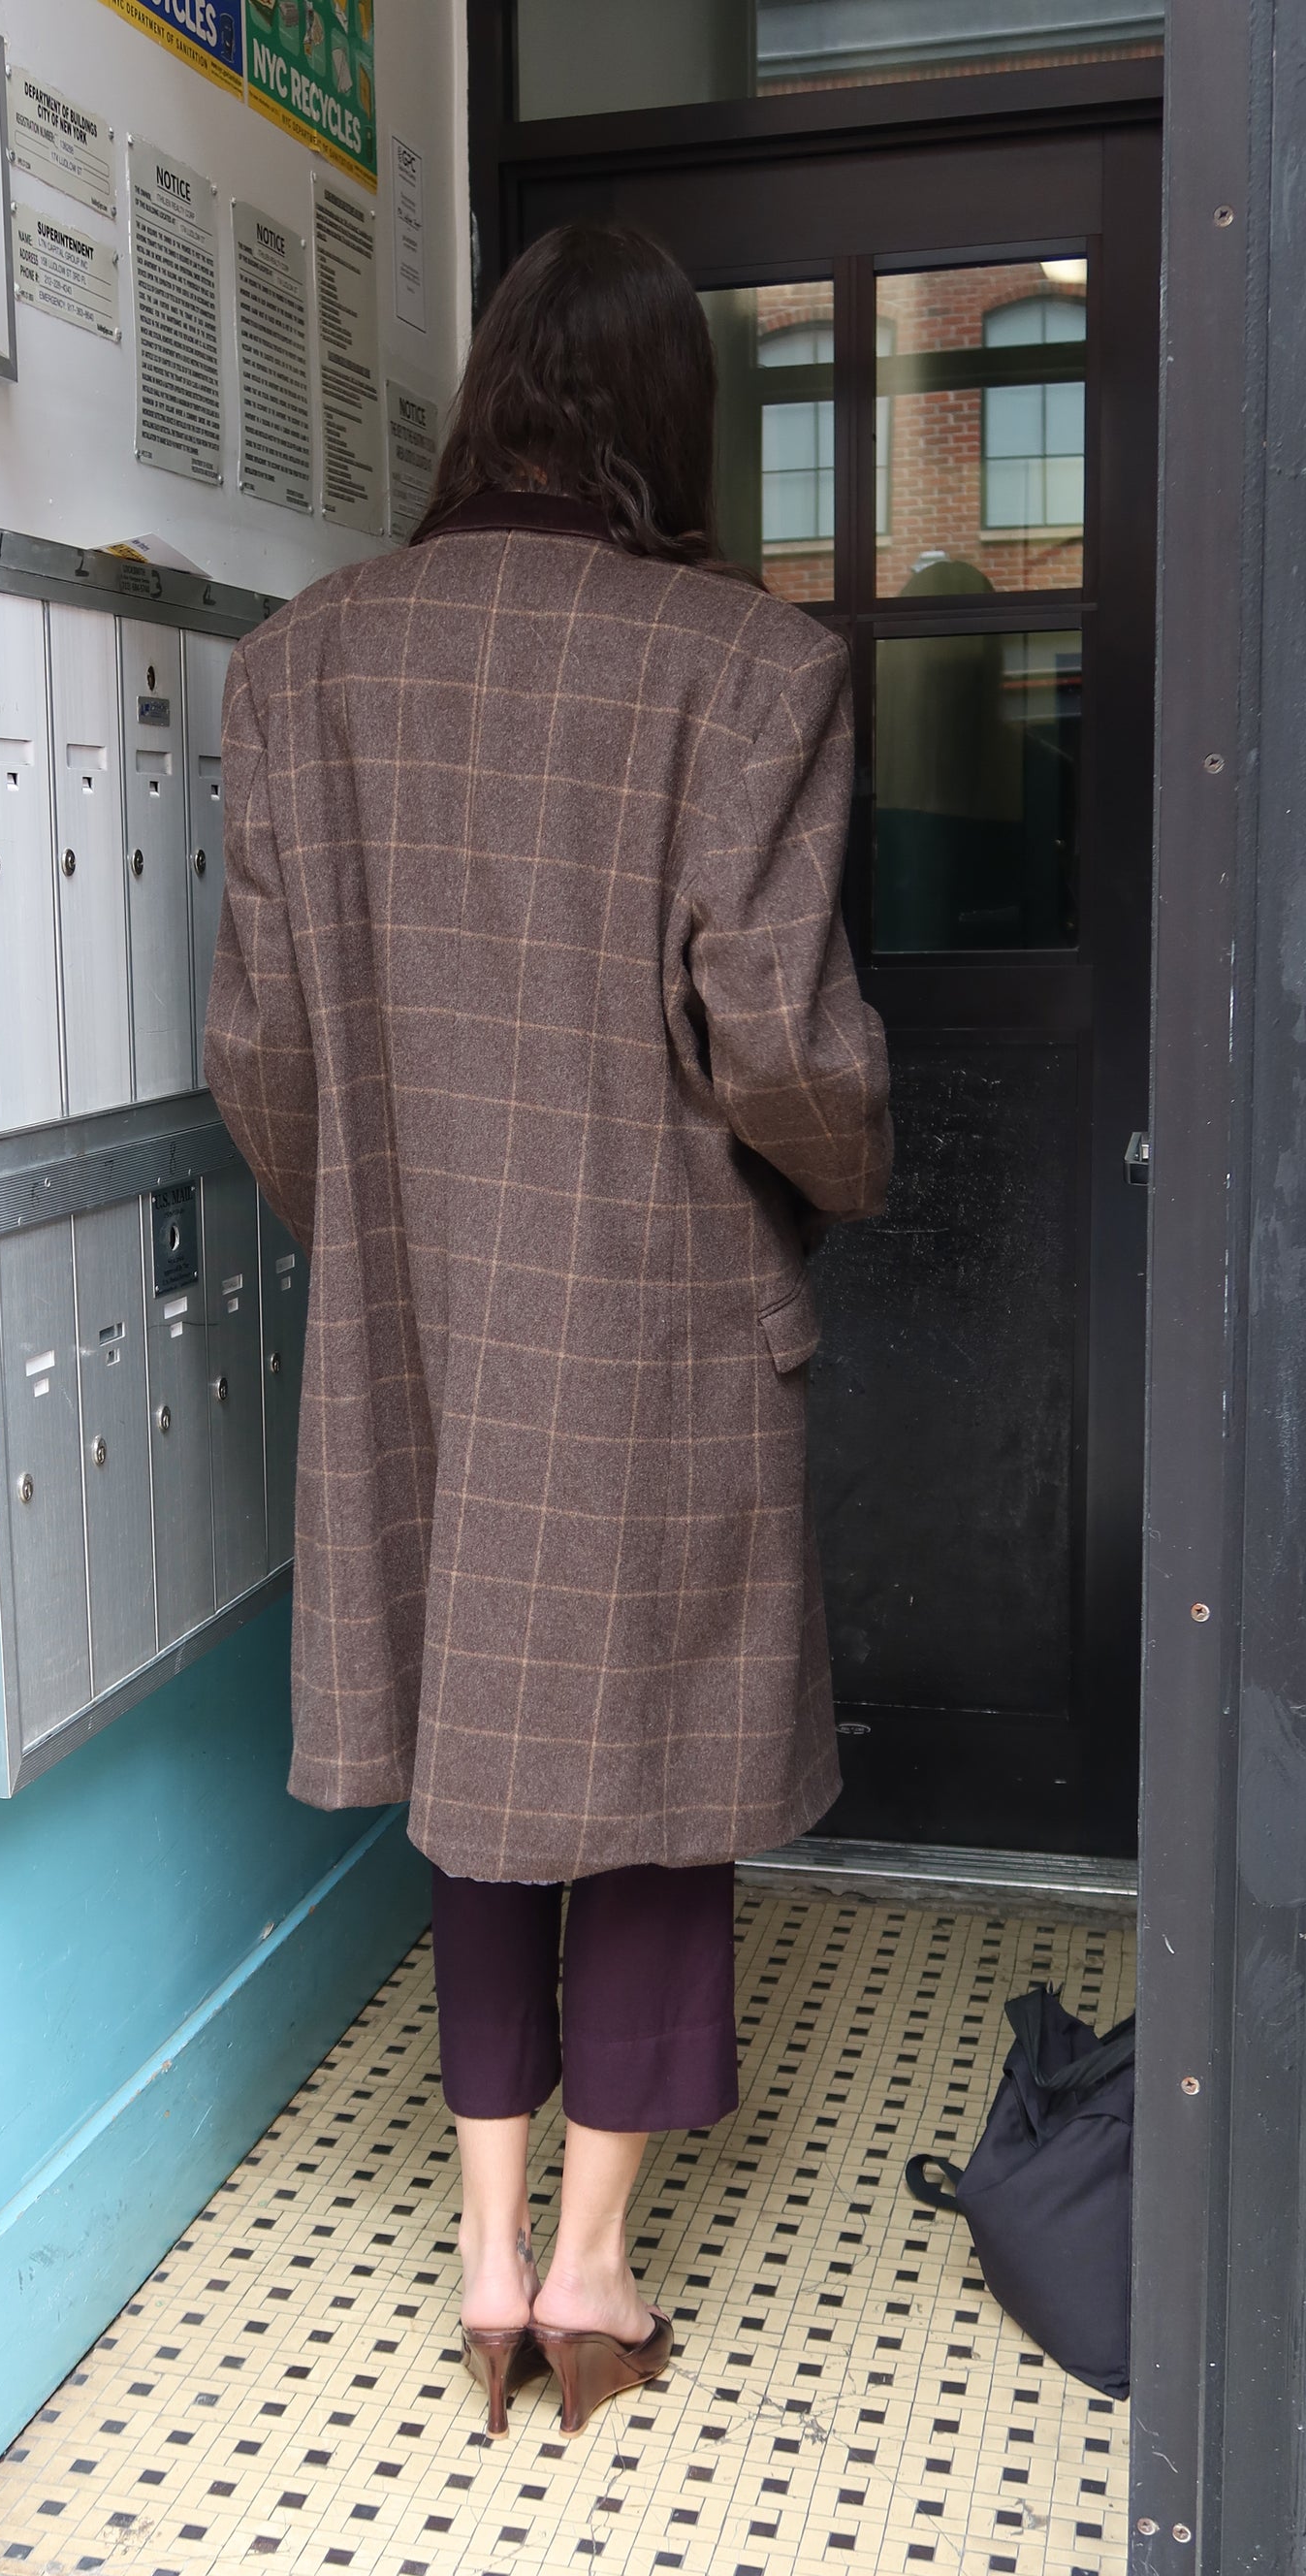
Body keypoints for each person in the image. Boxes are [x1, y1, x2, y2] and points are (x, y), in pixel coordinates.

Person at [204, 220, 892, 2438]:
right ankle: (596, 2265)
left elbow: (262, 1052)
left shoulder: (302, 666)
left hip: (414, 1313)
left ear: (480, 395)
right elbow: (780, 1040)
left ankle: (482, 2250)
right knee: (654, 1777)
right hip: (661, 1306)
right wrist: (851, 1168)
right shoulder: (744, 664)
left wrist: (384, 1238)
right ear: (667, 420)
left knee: (477, 1774)